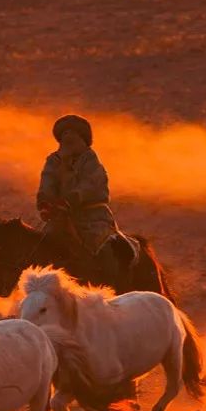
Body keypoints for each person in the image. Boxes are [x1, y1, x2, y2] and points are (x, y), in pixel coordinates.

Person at [37, 114, 122, 284]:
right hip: (60, 216)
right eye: (64, 137)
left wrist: (70, 200)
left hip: (93, 217)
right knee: (40, 247)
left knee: (99, 248)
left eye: (72, 137)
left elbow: (90, 185)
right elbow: (47, 183)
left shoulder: (91, 161)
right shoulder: (53, 162)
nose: (67, 142)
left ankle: (110, 285)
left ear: (83, 140)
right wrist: (45, 204)